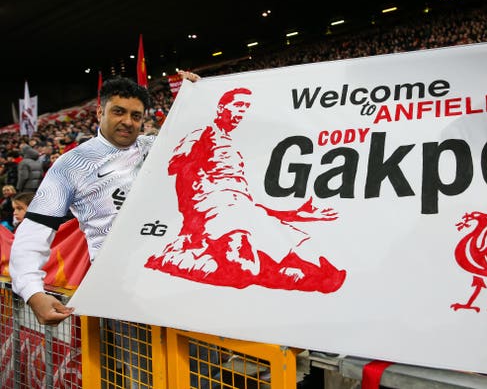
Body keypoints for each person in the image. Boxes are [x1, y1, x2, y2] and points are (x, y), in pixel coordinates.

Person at [8, 71, 200, 327]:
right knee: (142, 366)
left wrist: (199, 97)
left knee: (201, 363)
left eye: (136, 116)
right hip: (122, 289)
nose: (128, 122)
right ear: (100, 113)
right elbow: (34, 230)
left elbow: (206, 138)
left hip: (181, 274)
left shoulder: (155, 147)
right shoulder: (71, 165)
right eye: (118, 112)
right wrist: (32, 291)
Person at [145, 87, 346, 293]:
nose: (242, 111)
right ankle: (175, 257)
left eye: (246, 107)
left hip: (242, 210)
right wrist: (194, 216)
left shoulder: (235, 149)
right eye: (238, 105)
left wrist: (293, 214)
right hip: (213, 210)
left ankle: (306, 275)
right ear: (222, 108)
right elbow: (175, 171)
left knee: (303, 257)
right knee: (243, 267)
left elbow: (247, 201)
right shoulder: (202, 133)